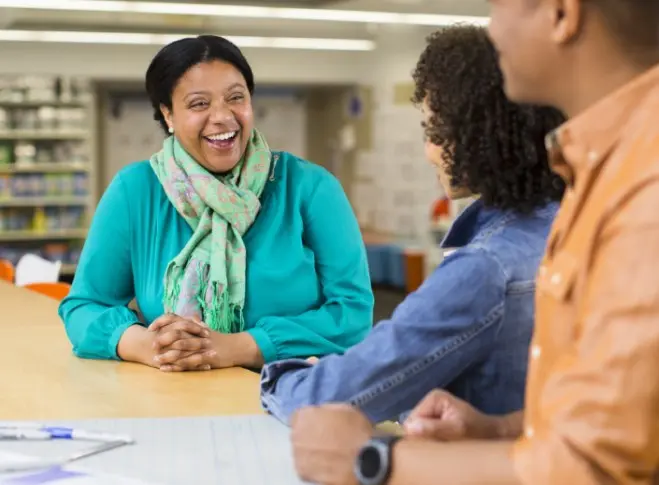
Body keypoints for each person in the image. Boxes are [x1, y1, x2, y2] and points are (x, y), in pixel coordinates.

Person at [289, 1, 659, 485]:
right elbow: (621, 416)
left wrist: (375, 461)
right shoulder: (597, 174)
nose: (492, 24)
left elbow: (594, 468)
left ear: (562, 14)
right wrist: (499, 428)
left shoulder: (642, 193)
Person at [260, 24, 564, 427]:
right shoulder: (569, 227)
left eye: (433, 130)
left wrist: (286, 376)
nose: (429, 151)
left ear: (476, 136)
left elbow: (327, 401)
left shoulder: (484, 268)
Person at [58, 35, 374, 372]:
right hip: (178, 395)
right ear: (168, 114)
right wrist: (149, 346)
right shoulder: (135, 191)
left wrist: (239, 347)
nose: (223, 117)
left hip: (296, 395)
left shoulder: (310, 188)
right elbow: (84, 307)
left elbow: (352, 313)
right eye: (198, 104)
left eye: (236, 97)